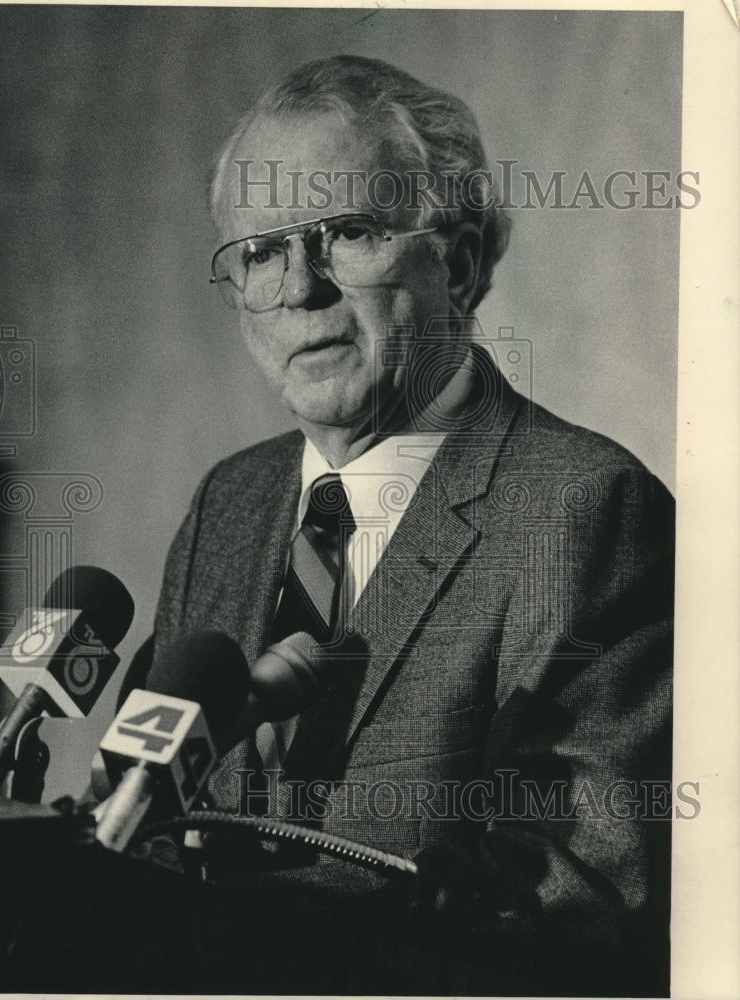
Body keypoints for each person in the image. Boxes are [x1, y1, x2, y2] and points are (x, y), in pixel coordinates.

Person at [149, 55, 674, 995]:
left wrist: (230, 936)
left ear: (460, 261)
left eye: (346, 232)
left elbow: (577, 900)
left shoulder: (587, 507)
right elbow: (141, 821)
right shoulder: (226, 507)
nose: (299, 289)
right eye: (260, 253)